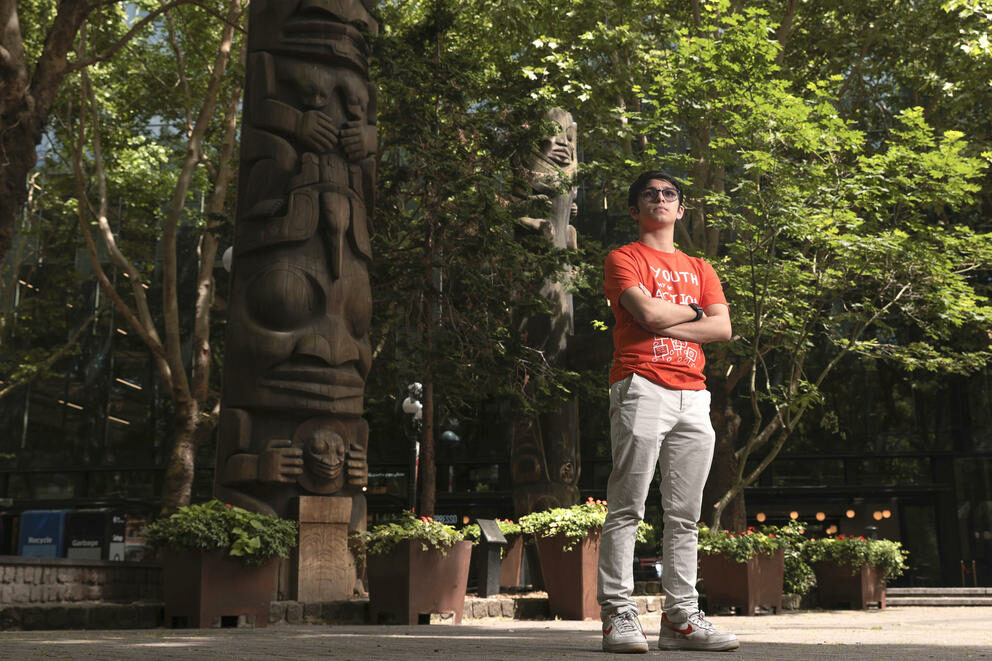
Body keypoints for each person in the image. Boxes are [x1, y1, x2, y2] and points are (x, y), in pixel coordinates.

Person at [597, 171, 738, 653]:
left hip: (694, 395)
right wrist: (696, 315)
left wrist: (675, 316)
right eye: (649, 195)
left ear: (681, 209)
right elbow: (650, 316)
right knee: (627, 506)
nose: (661, 199)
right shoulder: (623, 258)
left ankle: (680, 619)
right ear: (635, 210)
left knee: (685, 514)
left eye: (669, 194)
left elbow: (723, 330)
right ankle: (618, 614)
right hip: (640, 385)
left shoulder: (701, 268)